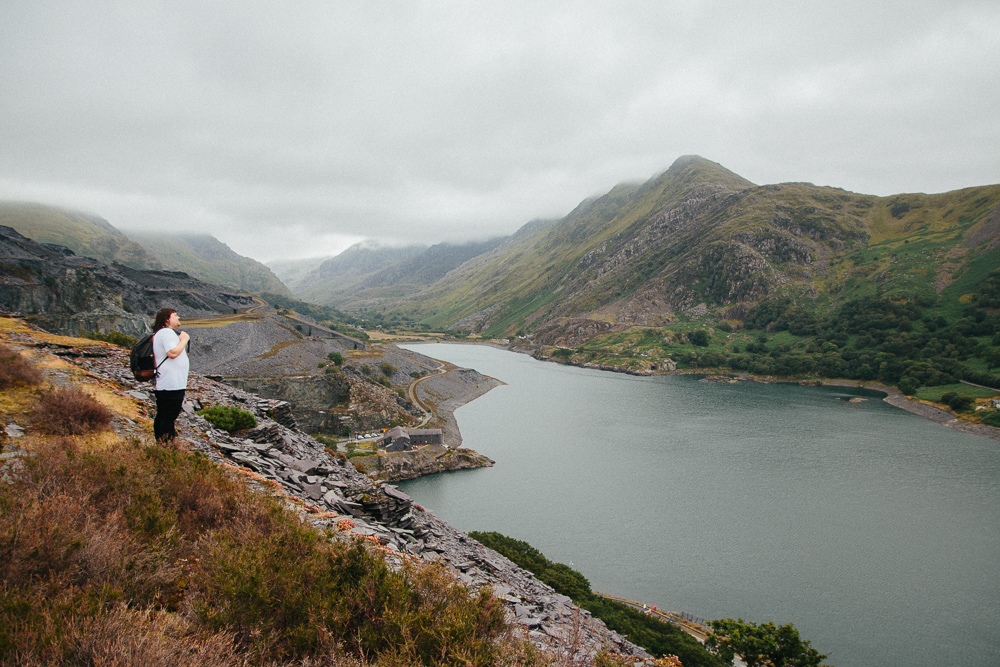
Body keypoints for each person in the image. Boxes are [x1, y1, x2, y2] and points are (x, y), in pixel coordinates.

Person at [151, 307, 190, 443]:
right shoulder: (166, 332)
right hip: (171, 385)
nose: (178, 317)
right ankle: (167, 447)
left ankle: (163, 445)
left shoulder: (163, 333)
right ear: (167, 319)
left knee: (164, 415)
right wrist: (184, 339)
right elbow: (172, 353)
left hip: (168, 383)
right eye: (175, 315)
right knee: (168, 416)